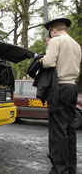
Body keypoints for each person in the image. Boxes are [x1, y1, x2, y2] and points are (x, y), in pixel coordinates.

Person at [39, 18, 81, 174]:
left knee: (57, 130)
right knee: (69, 129)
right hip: (72, 87)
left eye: (50, 32)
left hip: (60, 87)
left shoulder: (56, 41)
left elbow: (49, 62)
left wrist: (40, 60)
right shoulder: (76, 44)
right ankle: (70, 168)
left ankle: (59, 170)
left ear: (53, 30)